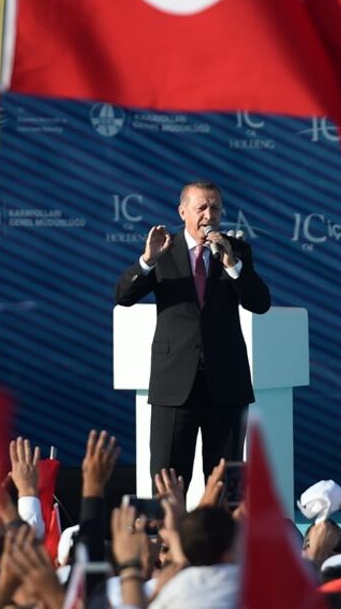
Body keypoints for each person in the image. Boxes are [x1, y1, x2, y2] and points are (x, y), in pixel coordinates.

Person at [115, 181, 271, 487]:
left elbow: (260, 303)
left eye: (215, 208)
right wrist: (147, 261)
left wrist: (233, 266)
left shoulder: (235, 251)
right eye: (201, 207)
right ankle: (170, 535)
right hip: (174, 385)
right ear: (183, 211)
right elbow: (123, 295)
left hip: (226, 385)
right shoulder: (164, 251)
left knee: (225, 482)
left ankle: (222, 536)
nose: (208, 215)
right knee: (168, 478)